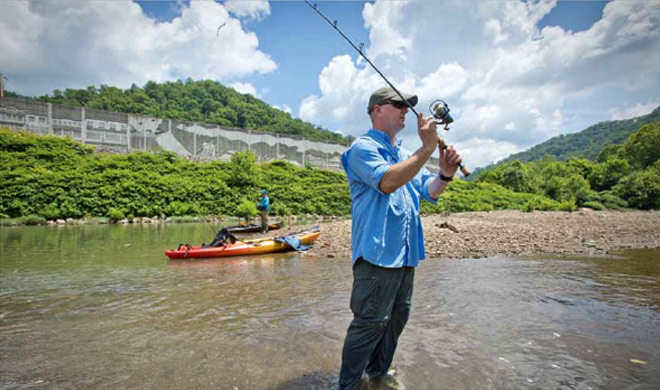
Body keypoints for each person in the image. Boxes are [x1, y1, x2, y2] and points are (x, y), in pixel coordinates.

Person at [338, 87, 462, 390]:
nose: (406, 110)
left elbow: (427, 191)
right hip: (377, 255)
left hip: (406, 254)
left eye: (408, 106)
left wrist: (444, 174)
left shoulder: (406, 155)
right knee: (369, 323)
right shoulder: (362, 149)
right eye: (399, 104)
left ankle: (379, 376)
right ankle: (348, 385)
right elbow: (388, 181)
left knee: (396, 319)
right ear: (377, 110)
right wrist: (428, 149)